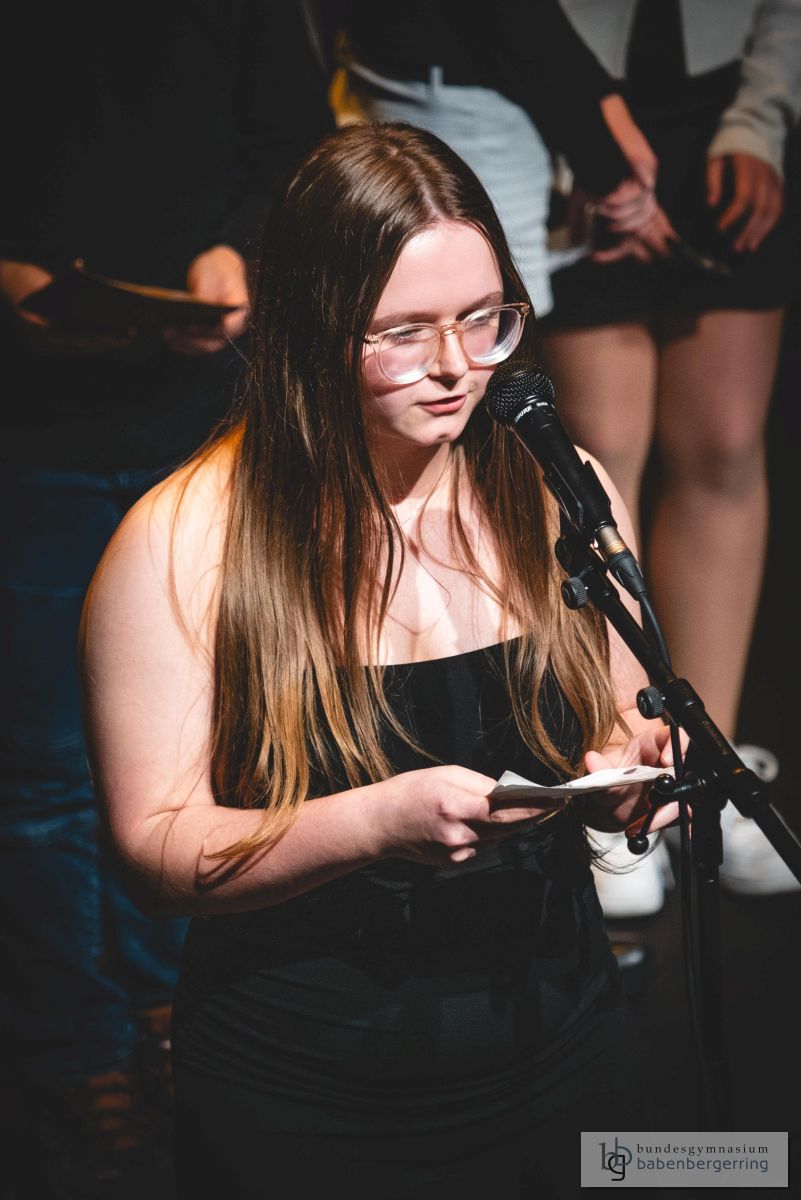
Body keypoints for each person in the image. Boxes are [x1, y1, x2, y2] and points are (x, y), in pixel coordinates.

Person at [80, 123, 683, 1199]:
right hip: (305, 1095)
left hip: (561, 1046)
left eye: (485, 318)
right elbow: (153, 849)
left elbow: (615, 714)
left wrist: (631, 763)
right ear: (313, 325)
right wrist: (372, 823)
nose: (456, 366)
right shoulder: (184, 541)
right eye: (402, 332)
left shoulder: (558, 488)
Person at [0, 2, 333, 1191]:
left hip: (200, 415)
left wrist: (239, 248)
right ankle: (76, 1051)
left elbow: (291, 141)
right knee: (42, 772)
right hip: (26, 427)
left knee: (211, 750)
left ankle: (169, 1015)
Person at [541, 0, 801, 909]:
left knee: (723, 444)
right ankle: (620, 794)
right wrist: (578, 138)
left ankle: (706, 780)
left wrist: (760, 120)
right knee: (602, 456)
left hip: (723, 115)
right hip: (583, 120)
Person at [331, 0, 672, 317]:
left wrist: (603, 100)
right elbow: (517, 18)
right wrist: (607, 172)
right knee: (489, 311)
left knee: (489, 309)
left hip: (417, 60)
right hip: (459, 85)